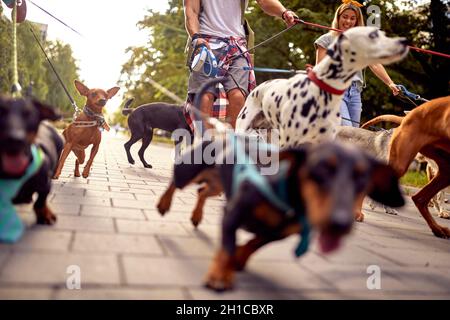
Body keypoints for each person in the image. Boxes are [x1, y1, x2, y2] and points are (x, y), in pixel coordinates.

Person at [184, 0, 298, 129]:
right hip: (206, 43)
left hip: (236, 45)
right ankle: (203, 143)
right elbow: (191, 11)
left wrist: (284, 12)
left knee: (238, 96)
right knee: (205, 96)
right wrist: (196, 37)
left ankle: (232, 145)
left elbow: (264, 1)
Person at [314, 0, 400, 127]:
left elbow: (374, 64)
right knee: (348, 130)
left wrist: (390, 83)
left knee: (354, 134)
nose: (348, 21)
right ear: (338, 17)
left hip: (355, 92)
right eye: (345, 17)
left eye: (352, 18)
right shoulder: (326, 40)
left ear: (356, 21)